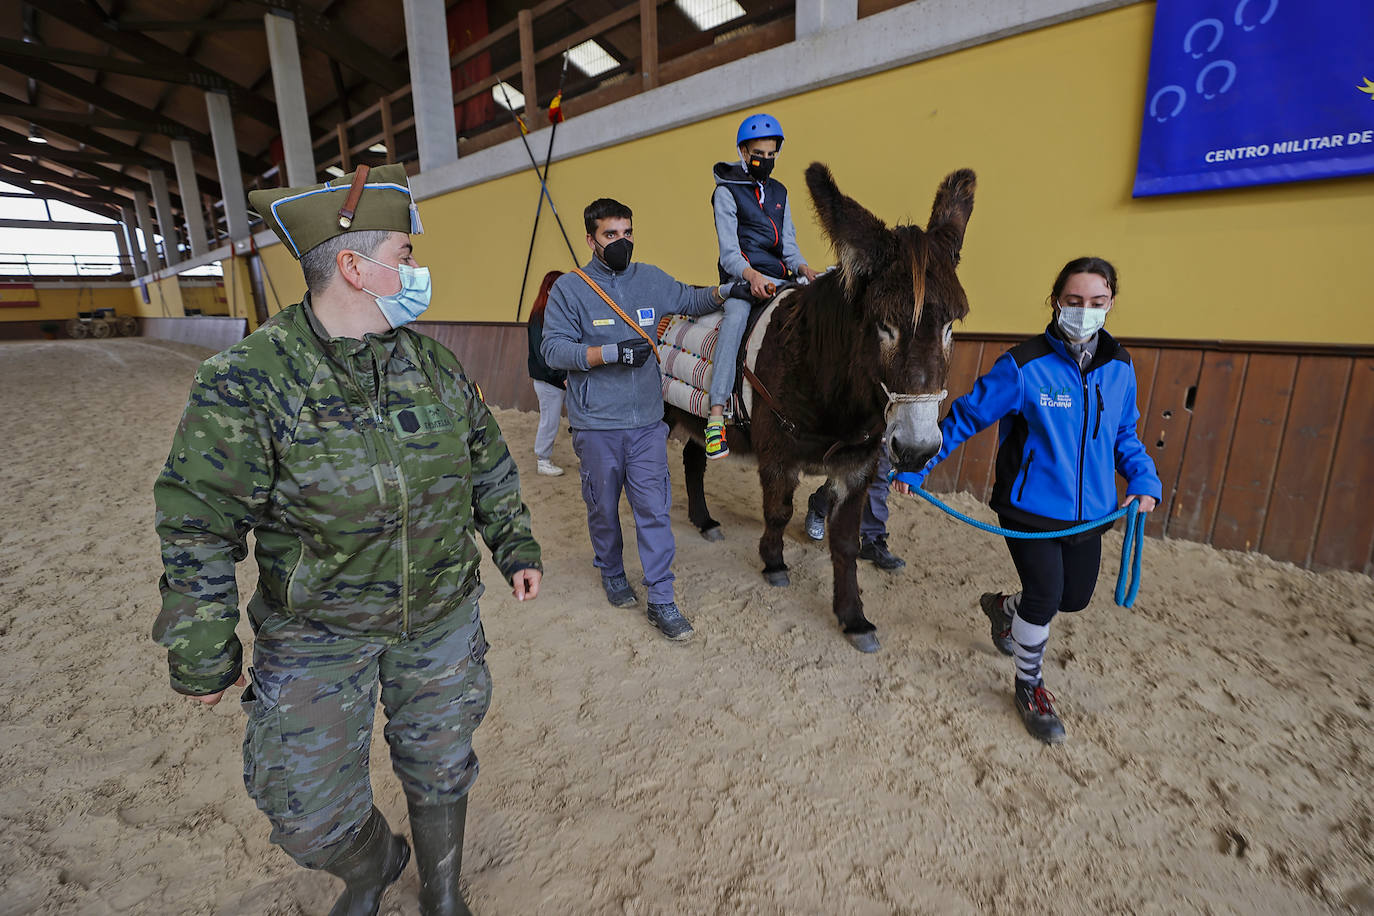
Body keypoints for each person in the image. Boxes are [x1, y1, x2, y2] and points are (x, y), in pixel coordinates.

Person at [152, 164, 542, 915]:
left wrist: (514, 544)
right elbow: (199, 518)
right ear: (356, 269)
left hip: (439, 619)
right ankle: (370, 865)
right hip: (317, 632)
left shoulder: (431, 364)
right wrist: (203, 644)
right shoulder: (250, 380)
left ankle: (443, 890)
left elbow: (487, 460)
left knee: (441, 761)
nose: (417, 268)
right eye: (405, 253)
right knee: (302, 806)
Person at [904, 256, 1160, 745]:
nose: (1084, 311)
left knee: (1074, 597)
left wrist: (1143, 479)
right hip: (1028, 510)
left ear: (1110, 305)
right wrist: (918, 467)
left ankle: (1005, 608)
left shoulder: (1121, 367)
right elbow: (964, 417)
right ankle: (1030, 685)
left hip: (1092, 514)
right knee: (1045, 597)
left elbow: (1123, 434)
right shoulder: (1023, 366)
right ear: (1056, 302)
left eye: (1096, 302)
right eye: (1074, 301)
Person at [541, 197, 742, 641]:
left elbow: (691, 298)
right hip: (596, 425)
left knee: (654, 510)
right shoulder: (570, 290)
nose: (622, 242)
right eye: (611, 235)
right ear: (591, 239)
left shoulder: (649, 279)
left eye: (627, 232)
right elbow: (552, 349)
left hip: (648, 424)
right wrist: (606, 353)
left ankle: (662, 599)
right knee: (603, 508)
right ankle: (612, 570)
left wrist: (730, 290)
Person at [705, 113, 820, 459]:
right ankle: (716, 415)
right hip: (742, 280)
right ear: (743, 151)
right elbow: (728, 252)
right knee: (736, 319)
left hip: (780, 276)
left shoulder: (780, 192)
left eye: (771, 154)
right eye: (758, 154)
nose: (765, 161)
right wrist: (751, 275)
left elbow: (788, 244)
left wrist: (803, 267)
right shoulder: (726, 193)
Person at [803, 450, 907, 570]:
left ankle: (872, 541)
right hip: (857, 434)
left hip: (886, 435)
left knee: (879, 477)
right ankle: (819, 506)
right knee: (848, 475)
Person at [527, 269, 568, 477]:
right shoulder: (539, 317)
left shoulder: (558, 315)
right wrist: (562, 377)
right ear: (550, 290)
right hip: (550, 380)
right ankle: (542, 459)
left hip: (562, 378)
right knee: (549, 420)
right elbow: (543, 357)